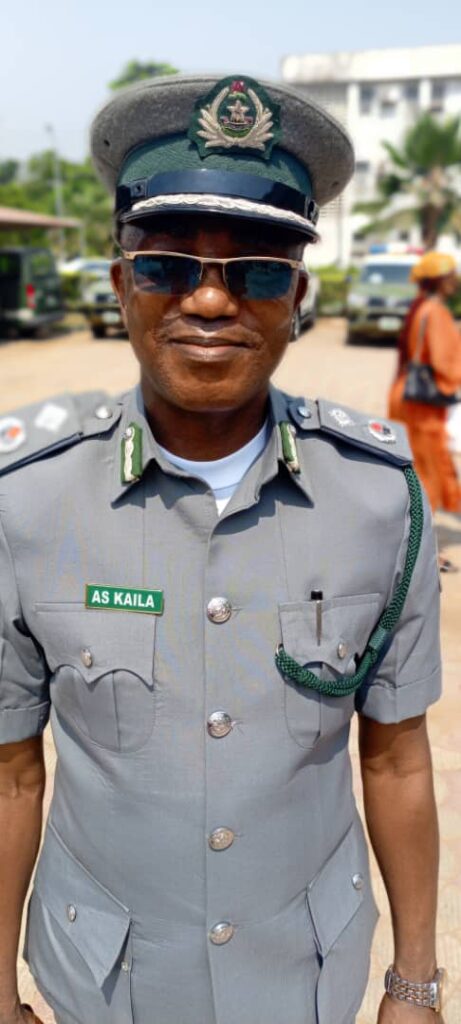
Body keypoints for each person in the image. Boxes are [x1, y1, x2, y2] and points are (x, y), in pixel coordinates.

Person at [0, 74, 445, 1024]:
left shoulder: (378, 497)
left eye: (257, 271)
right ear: (120, 286)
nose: (209, 299)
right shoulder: (27, 501)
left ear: (298, 297)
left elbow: (397, 760)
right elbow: (10, 773)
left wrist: (413, 981)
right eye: (166, 266)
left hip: (305, 976)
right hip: (103, 983)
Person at [388, 252, 461, 557]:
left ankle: (417, 544)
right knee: (428, 473)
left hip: (409, 395)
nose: (455, 281)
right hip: (422, 405)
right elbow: (446, 364)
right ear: (439, 280)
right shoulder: (436, 312)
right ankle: (421, 553)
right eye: (451, 276)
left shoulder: (420, 307)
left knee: (418, 469)